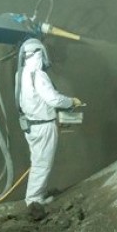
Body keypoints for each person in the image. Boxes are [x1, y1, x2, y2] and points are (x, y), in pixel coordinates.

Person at [15, 38, 82, 221]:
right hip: (43, 126)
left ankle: (38, 195)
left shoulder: (20, 74)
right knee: (42, 164)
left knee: (38, 161)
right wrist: (71, 101)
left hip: (31, 125)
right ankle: (34, 201)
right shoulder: (38, 75)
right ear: (39, 53)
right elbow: (52, 99)